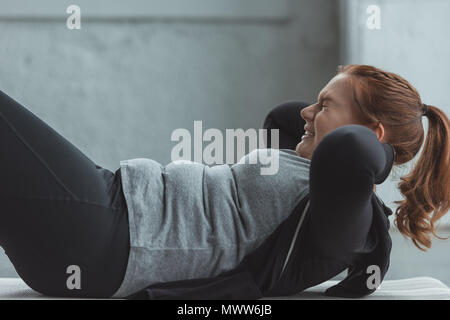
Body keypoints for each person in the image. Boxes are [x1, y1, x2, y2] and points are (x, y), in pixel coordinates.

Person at [0, 64, 448, 299]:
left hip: (108, 236)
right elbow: (281, 118)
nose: (307, 114)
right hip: (105, 214)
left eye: (324, 104)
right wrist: (334, 107)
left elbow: (351, 151)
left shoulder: (346, 223)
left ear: (370, 135)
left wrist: (375, 144)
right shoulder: (312, 168)